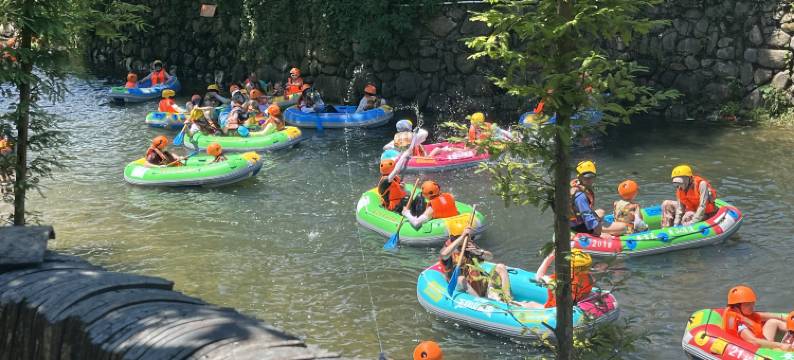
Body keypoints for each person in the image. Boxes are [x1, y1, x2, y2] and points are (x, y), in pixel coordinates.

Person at [723, 285, 793, 351]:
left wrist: (783, 317)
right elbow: (753, 341)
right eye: (748, 304)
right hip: (758, 349)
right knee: (783, 348)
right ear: (737, 307)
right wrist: (780, 345)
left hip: (762, 341)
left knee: (772, 322)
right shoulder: (740, 325)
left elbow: (759, 316)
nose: (752, 306)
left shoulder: (742, 313)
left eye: (752, 303)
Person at [524, 249, 594, 308]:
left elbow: (539, 277)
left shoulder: (557, 281)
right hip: (575, 304)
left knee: (529, 304)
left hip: (555, 311)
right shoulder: (587, 276)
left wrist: (550, 257)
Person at [569, 160, 607, 235]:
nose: (589, 180)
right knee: (622, 227)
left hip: (576, 221)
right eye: (586, 177)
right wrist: (598, 232)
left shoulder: (579, 187)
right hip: (579, 227)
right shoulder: (580, 196)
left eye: (591, 177)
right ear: (579, 177)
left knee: (601, 212)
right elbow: (586, 216)